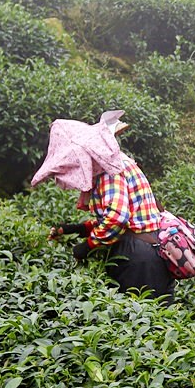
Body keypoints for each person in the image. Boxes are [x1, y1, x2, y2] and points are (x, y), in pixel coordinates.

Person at [31, 110, 175, 305]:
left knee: (141, 318)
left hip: (139, 257)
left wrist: (87, 246)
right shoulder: (116, 161)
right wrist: (75, 229)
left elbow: (117, 219)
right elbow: (125, 218)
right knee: (157, 317)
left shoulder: (109, 169)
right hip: (151, 249)